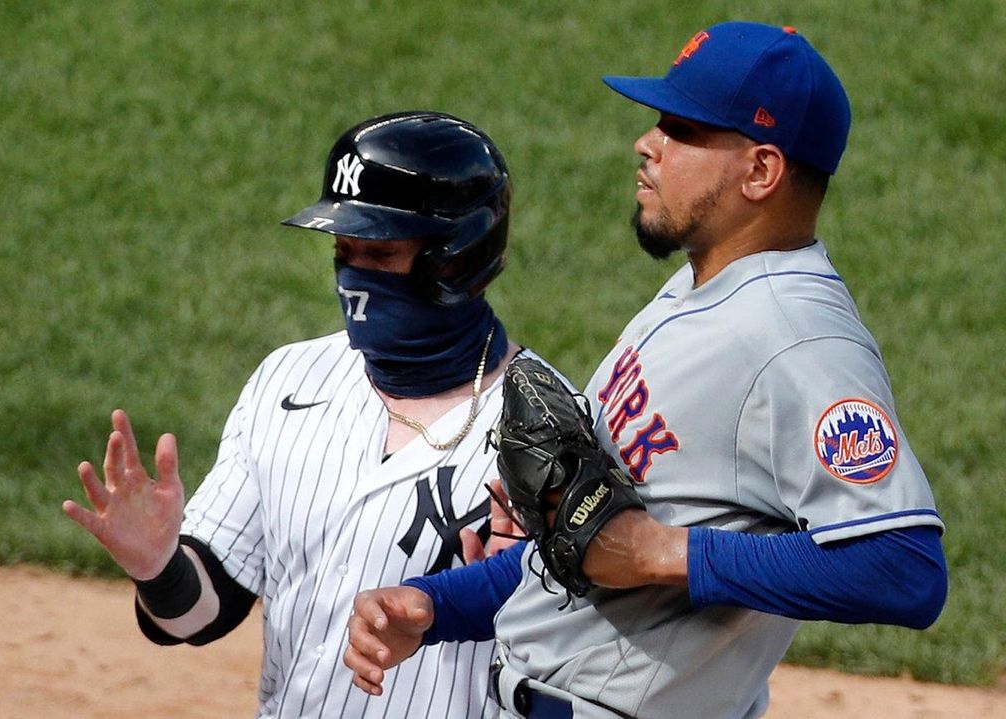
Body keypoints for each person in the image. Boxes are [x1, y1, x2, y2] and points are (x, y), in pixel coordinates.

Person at [344, 22, 949, 719]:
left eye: (681, 129)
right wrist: (436, 605)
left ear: (760, 171)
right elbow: (595, 544)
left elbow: (904, 568)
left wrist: (670, 551)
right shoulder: (700, 285)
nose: (647, 143)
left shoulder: (798, 339)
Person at [63, 110, 549, 718]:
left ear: (456, 258)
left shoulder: (547, 428)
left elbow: (577, 660)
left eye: (379, 251)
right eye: (345, 250)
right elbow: (200, 614)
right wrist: (157, 567)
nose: (354, 277)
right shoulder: (289, 380)